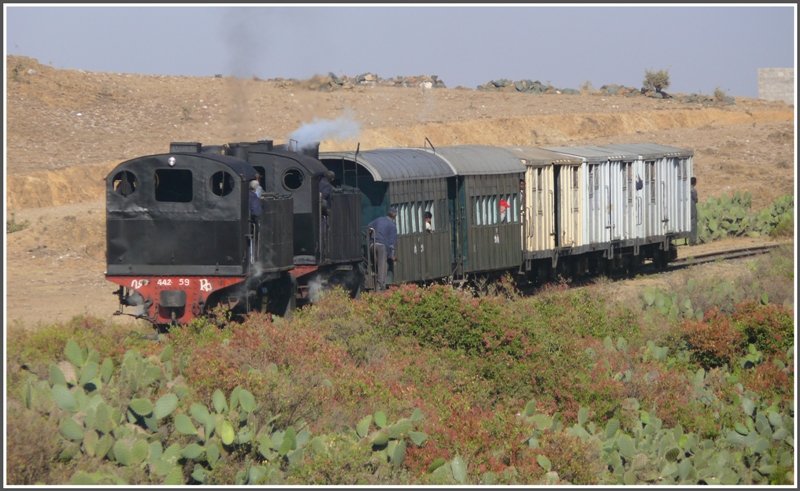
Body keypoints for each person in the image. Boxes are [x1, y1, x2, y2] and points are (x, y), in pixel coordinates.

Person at [367, 207, 398, 291]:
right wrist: (392, 256)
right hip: (382, 247)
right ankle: (380, 289)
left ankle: (375, 284)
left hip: (372, 245)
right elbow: (392, 244)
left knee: (375, 267)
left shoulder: (379, 219)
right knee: (382, 268)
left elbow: (369, 227)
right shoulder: (392, 226)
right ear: (395, 215)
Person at [690, 176, 698, 245]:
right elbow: (696, 199)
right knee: (693, 224)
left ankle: (690, 240)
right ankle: (693, 241)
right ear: (695, 183)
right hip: (692, 207)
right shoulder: (693, 190)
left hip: (687, 208)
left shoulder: (686, 189)